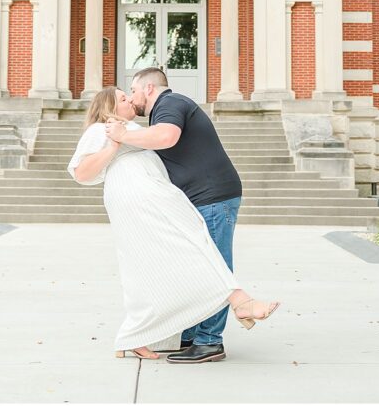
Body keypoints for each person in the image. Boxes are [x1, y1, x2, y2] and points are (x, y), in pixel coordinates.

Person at [69, 86, 279, 363]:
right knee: (190, 251)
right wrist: (113, 145)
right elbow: (82, 173)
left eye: (129, 93)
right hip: (141, 203)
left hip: (160, 199)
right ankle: (237, 305)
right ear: (107, 107)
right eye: (123, 97)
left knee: (176, 259)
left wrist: (124, 136)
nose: (130, 99)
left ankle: (142, 335)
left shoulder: (131, 128)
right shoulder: (102, 130)